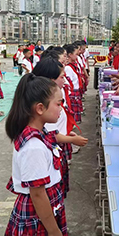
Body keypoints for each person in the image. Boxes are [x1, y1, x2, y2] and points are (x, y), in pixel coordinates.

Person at [0, 74, 70, 236]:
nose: (61, 108)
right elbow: (37, 193)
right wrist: (53, 231)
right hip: (36, 217)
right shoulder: (34, 148)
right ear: (40, 108)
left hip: (40, 214)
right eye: (58, 103)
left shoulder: (40, 134)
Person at [33, 58, 88, 197]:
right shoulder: (47, 109)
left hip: (58, 145)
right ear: (51, 80)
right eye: (62, 77)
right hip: (55, 147)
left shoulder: (50, 103)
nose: (65, 80)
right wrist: (71, 140)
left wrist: (68, 134)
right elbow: (50, 134)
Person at [64, 44, 83, 123]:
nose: (77, 55)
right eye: (75, 54)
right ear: (70, 55)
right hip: (73, 91)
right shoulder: (68, 68)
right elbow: (69, 81)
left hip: (76, 90)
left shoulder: (74, 65)